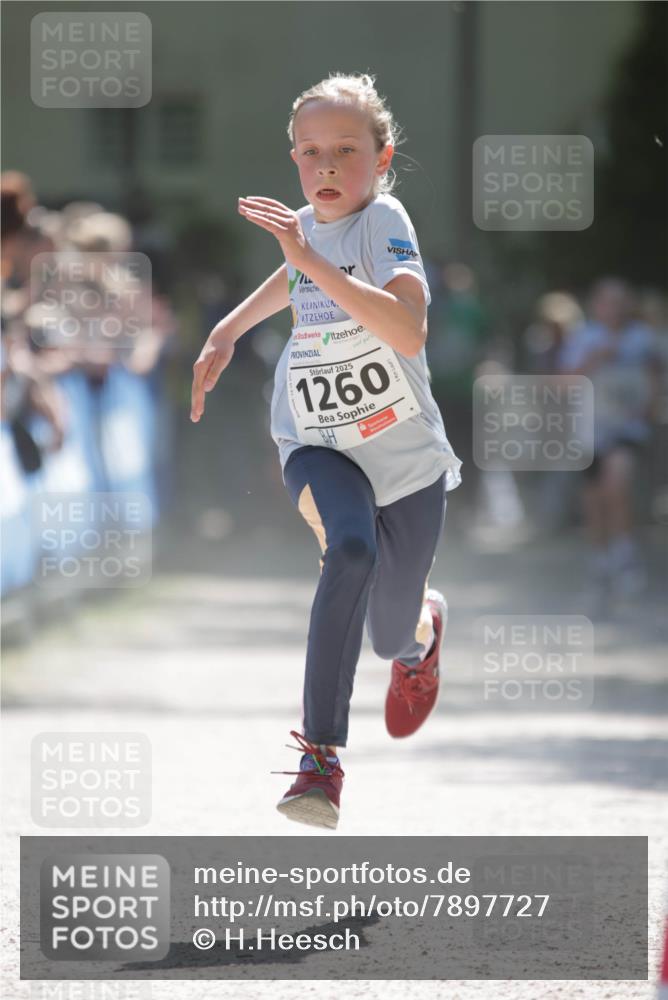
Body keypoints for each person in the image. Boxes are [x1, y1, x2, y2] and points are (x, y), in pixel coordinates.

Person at [190, 72, 461, 829]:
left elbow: (407, 331)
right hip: (315, 442)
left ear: (383, 157)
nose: (328, 168)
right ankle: (320, 762)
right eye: (311, 153)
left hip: (405, 461)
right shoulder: (310, 233)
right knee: (348, 552)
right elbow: (294, 277)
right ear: (294, 160)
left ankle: (421, 634)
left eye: (346, 150)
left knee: (387, 634)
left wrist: (306, 258)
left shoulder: (385, 222)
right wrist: (227, 330)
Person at [558, 277, 663, 603]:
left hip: (627, 430)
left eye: (620, 302)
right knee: (595, 499)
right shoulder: (582, 338)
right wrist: (593, 360)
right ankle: (601, 558)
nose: (614, 309)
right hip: (589, 430)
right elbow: (562, 385)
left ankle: (624, 553)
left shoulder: (643, 339)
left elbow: (657, 377)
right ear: (596, 305)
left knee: (617, 483)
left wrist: (649, 407)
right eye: (607, 301)